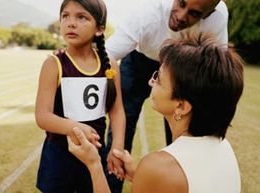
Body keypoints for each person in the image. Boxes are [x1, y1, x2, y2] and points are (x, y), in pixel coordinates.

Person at [67, 33, 244, 193]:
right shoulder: (224, 148)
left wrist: (94, 164)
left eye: (158, 78)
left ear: (181, 106)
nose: (151, 82)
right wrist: (139, 176)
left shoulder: (159, 167)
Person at [104, 0, 229, 191]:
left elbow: (216, 71)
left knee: (186, 128)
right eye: (181, 3)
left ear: (208, 15)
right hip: (138, 61)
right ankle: (111, 186)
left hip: (182, 68)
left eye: (194, 13)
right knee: (121, 128)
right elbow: (106, 56)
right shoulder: (148, 13)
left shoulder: (218, 16)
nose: (180, 16)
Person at [35, 0, 125, 192]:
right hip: (59, 155)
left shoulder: (110, 65)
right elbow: (43, 116)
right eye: (65, 16)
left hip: (94, 154)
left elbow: (117, 111)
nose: (71, 23)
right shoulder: (53, 64)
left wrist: (116, 148)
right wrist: (76, 128)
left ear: (99, 29)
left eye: (81, 17)